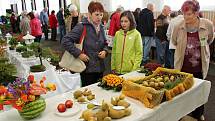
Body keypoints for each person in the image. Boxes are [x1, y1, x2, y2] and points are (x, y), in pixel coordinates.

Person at [171, 1, 214, 120]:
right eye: (184, 14)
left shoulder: (207, 25)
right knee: (183, 92)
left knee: (199, 93)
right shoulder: (178, 26)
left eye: (189, 14)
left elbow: (209, 40)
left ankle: (198, 114)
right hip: (182, 67)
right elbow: (174, 41)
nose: (185, 17)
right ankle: (183, 113)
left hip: (199, 67)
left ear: (196, 13)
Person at [61, 1, 108, 87]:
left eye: (101, 14)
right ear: (89, 14)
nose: (99, 17)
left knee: (99, 92)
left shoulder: (101, 27)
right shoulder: (82, 26)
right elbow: (65, 40)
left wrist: (105, 51)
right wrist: (79, 54)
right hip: (87, 69)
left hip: (100, 68)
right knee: (87, 94)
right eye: (96, 14)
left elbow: (105, 43)